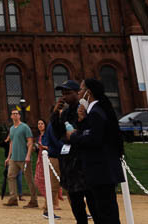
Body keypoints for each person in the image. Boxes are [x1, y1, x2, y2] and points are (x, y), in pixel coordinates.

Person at [69, 79, 124, 224]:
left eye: (81, 89)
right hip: (101, 170)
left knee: (105, 213)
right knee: (105, 211)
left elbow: (93, 139)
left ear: (89, 92)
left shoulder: (96, 113)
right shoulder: (96, 111)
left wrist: (74, 136)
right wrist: (82, 121)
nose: (79, 92)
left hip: (101, 170)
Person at [51, 80, 88, 224]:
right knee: (75, 200)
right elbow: (58, 133)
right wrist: (55, 114)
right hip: (68, 163)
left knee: (90, 198)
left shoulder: (83, 109)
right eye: (63, 94)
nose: (64, 97)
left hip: (82, 162)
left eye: (68, 93)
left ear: (77, 93)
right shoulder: (65, 113)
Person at [4, 108, 36, 207]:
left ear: (19, 116)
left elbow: (30, 142)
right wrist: (8, 157)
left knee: (29, 179)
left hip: (24, 158)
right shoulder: (12, 129)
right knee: (10, 176)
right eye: (13, 114)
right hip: (14, 158)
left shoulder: (25, 127)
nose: (15, 115)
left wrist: (28, 156)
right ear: (11, 116)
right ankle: (13, 199)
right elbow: (11, 143)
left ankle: (34, 201)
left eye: (16, 114)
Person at [35, 117, 61, 215]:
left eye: (42, 123)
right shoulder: (46, 133)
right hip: (47, 159)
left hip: (58, 158)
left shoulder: (50, 131)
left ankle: (81, 210)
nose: (40, 125)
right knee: (52, 185)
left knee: (67, 185)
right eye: (39, 124)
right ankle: (47, 209)